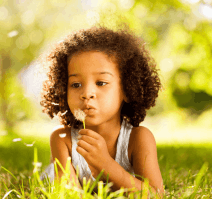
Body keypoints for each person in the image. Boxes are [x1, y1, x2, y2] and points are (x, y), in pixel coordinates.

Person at [39, 24, 164, 196]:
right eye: (76, 84)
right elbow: (69, 193)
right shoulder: (62, 139)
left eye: (101, 83)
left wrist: (105, 163)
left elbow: (155, 194)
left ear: (127, 89)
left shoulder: (139, 138)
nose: (87, 93)